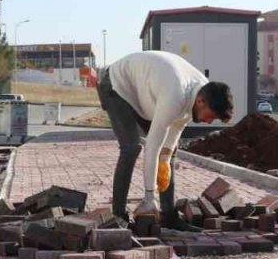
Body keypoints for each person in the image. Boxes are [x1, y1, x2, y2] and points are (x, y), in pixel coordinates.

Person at [96, 50, 234, 228]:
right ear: (201, 102)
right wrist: (149, 196)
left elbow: (175, 130)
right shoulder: (175, 95)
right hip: (117, 85)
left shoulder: (203, 91)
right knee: (131, 147)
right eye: (211, 116)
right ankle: (119, 216)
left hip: (144, 92)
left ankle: (169, 216)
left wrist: (166, 157)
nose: (209, 122)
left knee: (169, 153)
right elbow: (152, 147)